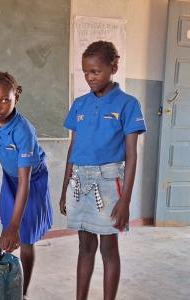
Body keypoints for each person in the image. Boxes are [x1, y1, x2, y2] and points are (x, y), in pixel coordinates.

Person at [59, 41, 146, 299]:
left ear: (114, 68)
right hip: (79, 181)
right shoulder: (80, 104)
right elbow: (73, 148)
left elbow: (131, 155)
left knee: (108, 248)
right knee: (85, 245)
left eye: (95, 71)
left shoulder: (128, 104)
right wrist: (65, 188)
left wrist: (125, 200)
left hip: (109, 183)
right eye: (86, 72)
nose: (90, 77)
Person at [0, 72, 53, 299]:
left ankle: (23, 293)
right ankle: (6, 284)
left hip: (31, 182)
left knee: (25, 236)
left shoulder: (23, 131)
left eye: (4, 99)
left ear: (16, 97)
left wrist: (15, 227)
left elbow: (25, 182)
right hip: (12, 180)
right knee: (6, 229)